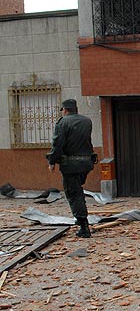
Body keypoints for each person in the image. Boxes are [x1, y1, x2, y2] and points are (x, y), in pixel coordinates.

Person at [47, 99, 95, 238]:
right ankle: (81, 219)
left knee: (74, 194)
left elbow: (58, 144)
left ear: (65, 110)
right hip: (86, 163)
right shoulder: (87, 121)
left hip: (70, 165)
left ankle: (83, 226)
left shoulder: (63, 123)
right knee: (78, 190)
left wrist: (52, 161)